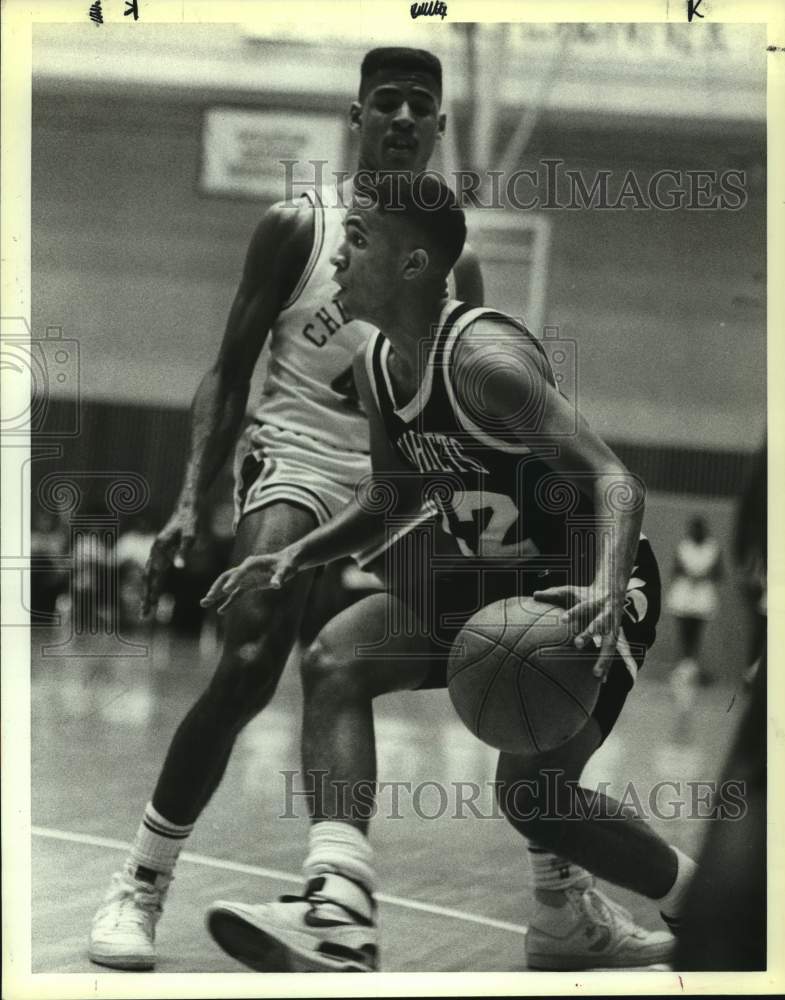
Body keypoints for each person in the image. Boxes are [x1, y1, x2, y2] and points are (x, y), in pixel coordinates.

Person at [201, 175, 696, 973]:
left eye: (357, 238)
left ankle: (711, 911)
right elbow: (395, 496)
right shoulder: (373, 365)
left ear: (412, 263)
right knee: (334, 658)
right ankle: (339, 909)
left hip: (588, 582)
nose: (337, 257)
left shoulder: (483, 361)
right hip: (489, 578)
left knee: (533, 801)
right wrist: (300, 550)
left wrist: (606, 588)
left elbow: (612, 479)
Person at [87, 48, 483, 971]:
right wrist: (191, 501)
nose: (399, 117)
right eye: (382, 102)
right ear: (355, 117)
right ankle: (142, 882)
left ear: (436, 128)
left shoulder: (457, 266)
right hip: (297, 457)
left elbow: (451, 412)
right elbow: (227, 373)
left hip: (396, 478)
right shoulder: (296, 228)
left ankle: (560, 893)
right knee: (255, 648)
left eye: (417, 105)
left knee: (507, 654)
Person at [665, 516, 723, 686]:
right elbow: (675, 569)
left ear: (704, 531)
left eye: (699, 529)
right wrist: (688, 573)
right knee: (684, 632)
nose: (696, 533)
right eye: (693, 529)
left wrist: (704, 575)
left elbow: (720, 573)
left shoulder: (713, 548)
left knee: (696, 633)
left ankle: (691, 667)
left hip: (702, 596)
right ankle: (684, 666)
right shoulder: (683, 546)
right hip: (683, 594)